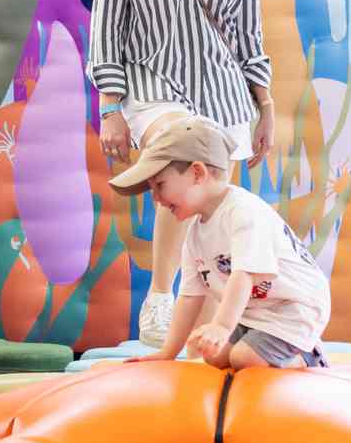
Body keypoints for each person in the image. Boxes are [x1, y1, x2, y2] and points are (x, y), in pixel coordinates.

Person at [86, 0, 274, 348]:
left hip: (222, 92)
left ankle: (210, 330)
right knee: (178, 151)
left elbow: (247, 31)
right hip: (154, 84)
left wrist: (266, 107)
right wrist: (110, 106)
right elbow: (108, 26)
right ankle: (160, 296)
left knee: (210, 207)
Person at [111, 115, 329, 370]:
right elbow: (189, 296)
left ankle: (309, 357)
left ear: (197, 173)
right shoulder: (195, 232)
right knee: (212, 355)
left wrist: (222, 326)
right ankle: (269, 352)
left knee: (245, 359)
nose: (157, 198)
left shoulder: (243, 212)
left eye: (160, 185)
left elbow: (243, 276)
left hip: (293, 308)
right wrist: (167, 352)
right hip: (256, 314)